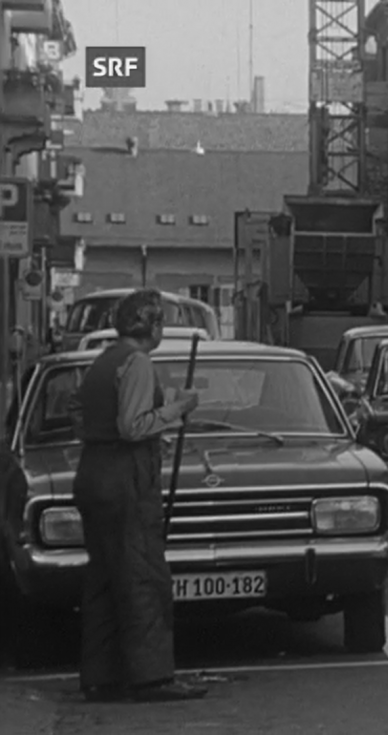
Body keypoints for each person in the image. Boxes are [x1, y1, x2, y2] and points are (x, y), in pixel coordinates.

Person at [68, 288, 208, 703]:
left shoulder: (102, 362)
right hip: (124, 479)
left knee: (105, 579)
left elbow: (80, 411)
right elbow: (132, 426)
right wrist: (175, 411)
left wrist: (109, 436)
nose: (163, 328)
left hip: (93, 471)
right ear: (151, 325)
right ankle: (152, 677)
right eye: (161, 321)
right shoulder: (138, 363)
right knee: (143, 574)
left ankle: (101, 675)